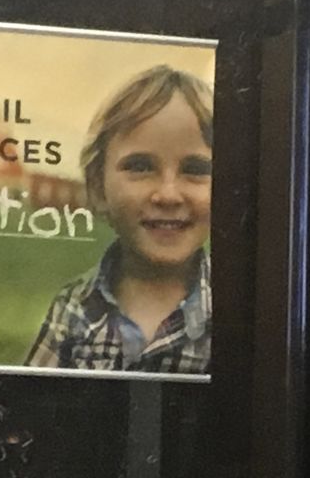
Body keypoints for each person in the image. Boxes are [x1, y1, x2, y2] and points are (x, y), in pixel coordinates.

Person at [25, 65, 213, 373]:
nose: (168, 195)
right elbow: (30, 409)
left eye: (195, 169)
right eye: (140, 166)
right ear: (98, 187)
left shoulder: (239, 314)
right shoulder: (74, 309)